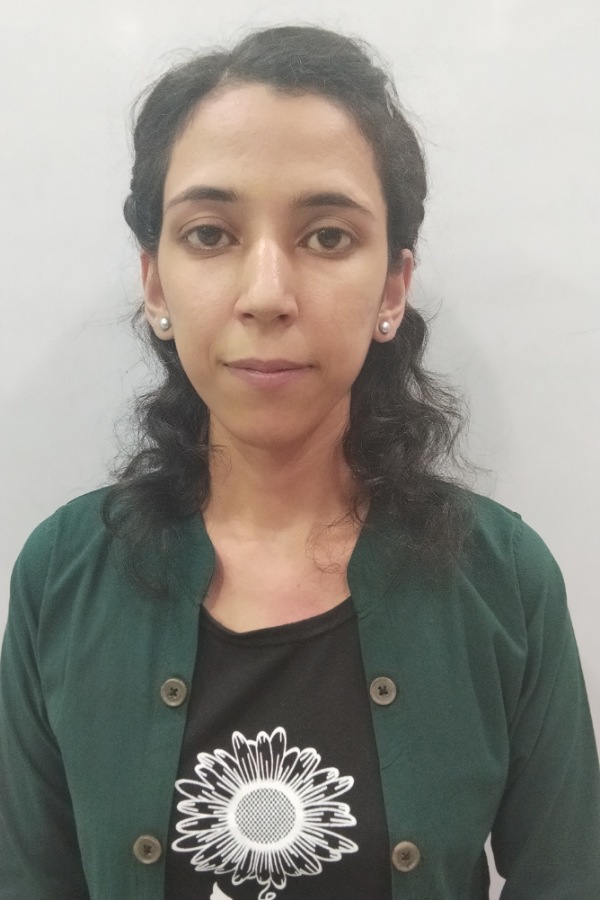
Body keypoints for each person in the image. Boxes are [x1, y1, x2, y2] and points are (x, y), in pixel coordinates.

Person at [0, 23, 598, 900]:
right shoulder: (63, 576)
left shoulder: (502, 581)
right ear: (156, 283)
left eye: (326, 238)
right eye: (211, 234)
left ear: (392, 287)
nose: (267, 294)